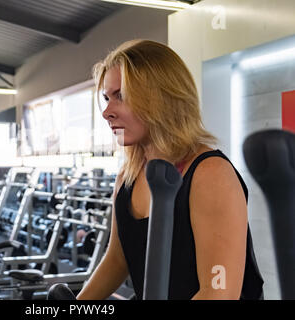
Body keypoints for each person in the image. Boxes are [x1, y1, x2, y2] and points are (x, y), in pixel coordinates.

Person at [76, 40, 263, 300]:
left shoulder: (210, 173)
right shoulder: (127, 177)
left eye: (121, 96)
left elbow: (219, 292)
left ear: (161, 96)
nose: (107, 111)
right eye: (107, 98)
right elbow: (117, 260)